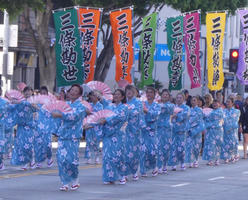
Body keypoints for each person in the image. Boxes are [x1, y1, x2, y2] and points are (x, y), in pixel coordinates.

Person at [52, 84, 86, 191]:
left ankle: (75, 179)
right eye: (71, 90)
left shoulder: (81, 107)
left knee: (71, 160)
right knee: (61, 159)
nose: (72, 92)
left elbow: (74, 116)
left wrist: (61, 115)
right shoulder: (64, 104)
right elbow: (57, 117)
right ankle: (65, 182)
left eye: (76, 91)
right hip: (63, 135)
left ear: (79, 94)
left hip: (73, 137)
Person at [99, 89, 128, 185]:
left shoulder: (124, 108)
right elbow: (103, 115)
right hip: (108, 135)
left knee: (118, 156)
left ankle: (122, 175)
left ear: (122, 97)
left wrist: (106, 119)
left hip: (118, 135)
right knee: (107, 156)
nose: (115, 96)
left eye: (118, 94)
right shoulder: (109, 106)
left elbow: (119, 117)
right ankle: (109, 177)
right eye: (114, 94)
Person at [122, 85, 143, 181]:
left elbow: (135, 112)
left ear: (134, 92)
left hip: (135, 131)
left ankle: (134, 171)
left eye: (130, 90)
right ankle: (124, 172)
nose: (128, 92)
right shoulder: (124, 102)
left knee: (134, 152)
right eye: (127, 90)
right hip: (124, 131)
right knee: (124, 152)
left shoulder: (138, 102)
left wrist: (125, 111)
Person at [140, 87, 161, 177]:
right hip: (143, 131)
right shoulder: (142, 104)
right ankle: (143, 170)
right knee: (143, 150)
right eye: (147, 93)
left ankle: (154, 166)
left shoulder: (157, 105)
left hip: (152, 131)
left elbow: (156, 115)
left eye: (151, 92)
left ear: (154, 94)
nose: (149, 94)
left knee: (152, 151)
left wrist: (147, 112)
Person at [33, 86, 54, 168]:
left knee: (47, 144)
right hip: (38, 126)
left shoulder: (50, 104)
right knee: (38, 144)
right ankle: (39, 160)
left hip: (47, 127)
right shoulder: (35, 104)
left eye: (44, 94)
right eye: (41, 94)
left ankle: (49, 158)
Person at [169, 92, 190, 171]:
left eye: (180, 98)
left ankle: (182, 162)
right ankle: (174, 164)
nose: (178, 99)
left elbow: (185, 116)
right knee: (173, 147)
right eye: (177, 98)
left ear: (183, 99)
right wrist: (172, 116)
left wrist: (176, 115)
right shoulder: (173, 107)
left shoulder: (186, 108)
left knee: (181, 147)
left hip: (182, 130)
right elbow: (170, 117)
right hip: (173, 130)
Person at [157, 89, 175, 174]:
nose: (165, 96)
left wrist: (157, 106)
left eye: (166, 95)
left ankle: (164, 165)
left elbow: (166, 109)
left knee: (166, 147)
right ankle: (159, 165)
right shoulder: (158, 105)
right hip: (159, 128)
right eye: (163, 94)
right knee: (159, 147)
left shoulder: (171, 105)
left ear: (169, 97)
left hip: (167, 128)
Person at [202, 100, 224, 166]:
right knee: (210, 145)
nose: (215, 104)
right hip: (210, 131)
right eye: (213, 103)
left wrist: (209, 123)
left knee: (217, 145)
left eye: (216, 103)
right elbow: (206, 119)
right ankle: (210, 160)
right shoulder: (211, 111)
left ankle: (217, 159)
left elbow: (218, 121)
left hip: (218, 131)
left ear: (219, 104)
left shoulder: (221, 111)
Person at [185, 96, 205, 168]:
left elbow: (200, 120)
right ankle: (190, 160)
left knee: (196, 146)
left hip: (197, 130)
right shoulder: (189, 110)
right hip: (189, 130)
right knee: (189, 146)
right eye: (192, 100)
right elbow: (186, 119)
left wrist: (195, 128)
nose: (193, 102)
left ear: (197, 102)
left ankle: (196, 160)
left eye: (194, 100)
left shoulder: (199, 110)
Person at [84, 90, 103, 164]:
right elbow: (86, 115)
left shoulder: (100, 106)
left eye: (94, 95)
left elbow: (99, 115)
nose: (92, 97)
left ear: (97, 97)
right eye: (92, 95)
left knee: (96, 142)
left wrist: (90, 113)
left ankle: (97, 156)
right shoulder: (89, 105)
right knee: (88, 141)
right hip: (89, 124)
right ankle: (88, 157)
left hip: (96, 126)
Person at [221, 97, 240, 163]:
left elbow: (235, 120)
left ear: (232, 103)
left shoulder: (236, 111)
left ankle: (233, 155)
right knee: (225, 143)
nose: (227, 103)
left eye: (229, 102)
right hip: (225, 130)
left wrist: (229, 127)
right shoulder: (223, 111)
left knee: (232, 143)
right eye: (227, 101)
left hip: (232, 130)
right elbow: (222, 120)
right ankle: (226, 157)